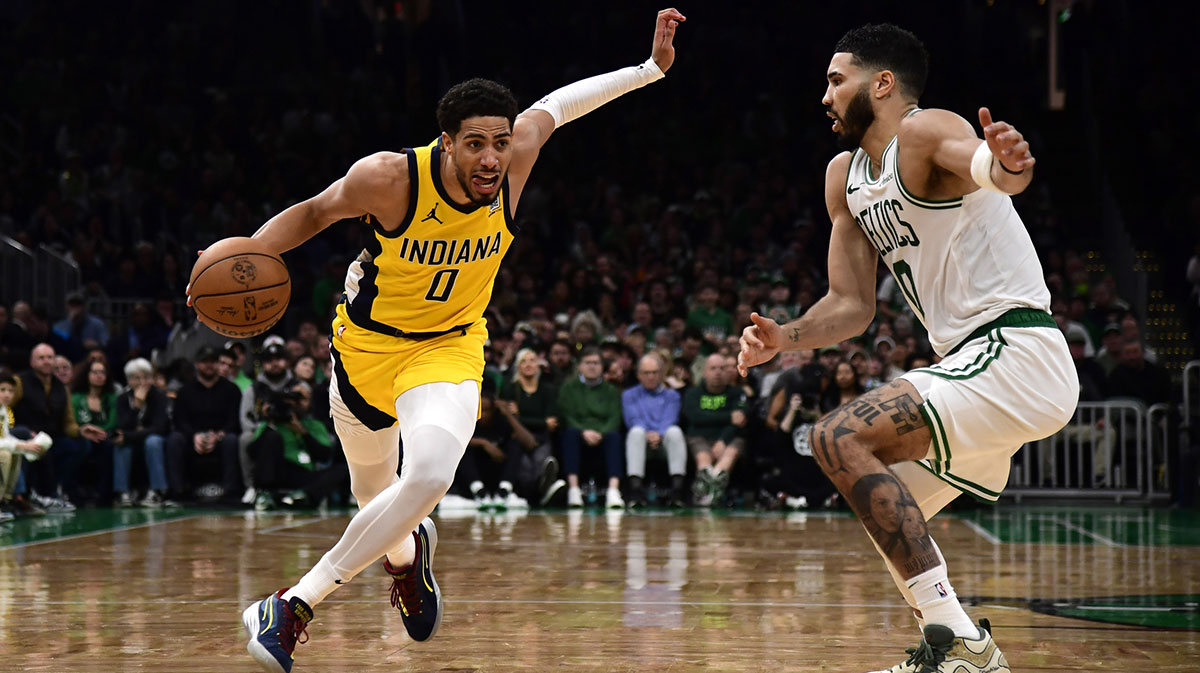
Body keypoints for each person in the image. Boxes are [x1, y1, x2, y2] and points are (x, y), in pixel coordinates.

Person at [212, 10, 685, 672]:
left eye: (499, 141)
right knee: (378, 504)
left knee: (430, 472)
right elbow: (316, 211)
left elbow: (561, 105)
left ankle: (292, 604)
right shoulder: (389, 178)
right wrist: (241, 258)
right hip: (363, 352)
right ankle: (410, 560)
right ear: (446, 142)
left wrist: (646, 70)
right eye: (475, 144)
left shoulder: (517, 159)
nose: (491, 157)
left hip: (449, 349)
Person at [737, 24, 1076, 673]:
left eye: (837, 80)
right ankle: (951, 654)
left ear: (882, 82)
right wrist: (787, 337)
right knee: (891, 515)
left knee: (837, 437)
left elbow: (988, 168)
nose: (826, 95)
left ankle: (964, 646)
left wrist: (1006, 163)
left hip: (1016, 348)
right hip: (972, 368)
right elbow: (851, 306)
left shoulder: (923, 133)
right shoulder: (846, 176)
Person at [558, 347, 625, 508]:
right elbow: (566, 415)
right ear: (579, 366)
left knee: (614, 437)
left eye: (596, 363)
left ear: (602, 367)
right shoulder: (569, 388)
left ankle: (613, 491)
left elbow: (615, 417)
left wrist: (600, 433)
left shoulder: (611, 391)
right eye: (587, 363)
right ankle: (573, 490)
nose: (592, 366)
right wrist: (583, 431)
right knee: (570, 434)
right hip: (579, 434)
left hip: (603, 435)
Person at [682, 353, 746, 507]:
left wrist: (723, 440)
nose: (718, 372)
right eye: (713, 368)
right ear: (704, 372)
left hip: (729, 438)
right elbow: (695, 417)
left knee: (731, 451)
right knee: (703, 456)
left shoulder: (738, 393)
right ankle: (710, 481)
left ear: (728, 371)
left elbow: (740, 422)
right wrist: (729, 417)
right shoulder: (693, 393)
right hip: (699, 437)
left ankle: (713, 481)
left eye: (722, 368)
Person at [623, 353, 686, 508]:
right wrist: (647, 433)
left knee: (675, 431)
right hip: (642, 440)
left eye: (654, 372)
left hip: (663, 441)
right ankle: (635, 490)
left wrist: (659, 433)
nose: (651, 376)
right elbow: (632, 419)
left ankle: (677, 490)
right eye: (646, 373)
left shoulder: (673, 396)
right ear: (638, 375)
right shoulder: (628, 395)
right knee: (636, 432)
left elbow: (670, 418)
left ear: (662, 374)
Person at [112, 358, 173, 507]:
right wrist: (136, 407)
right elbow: (122, 426)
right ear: (129, 380)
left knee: (152, 441)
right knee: (121, 444)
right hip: (134, 439)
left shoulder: (159, 397)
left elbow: (159, 427)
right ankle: (122, 493)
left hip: (153, 439)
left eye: (146, 377)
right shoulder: (122, 399)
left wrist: (130, 435)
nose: (142, 382)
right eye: (137, 378)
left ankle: (158, 491)